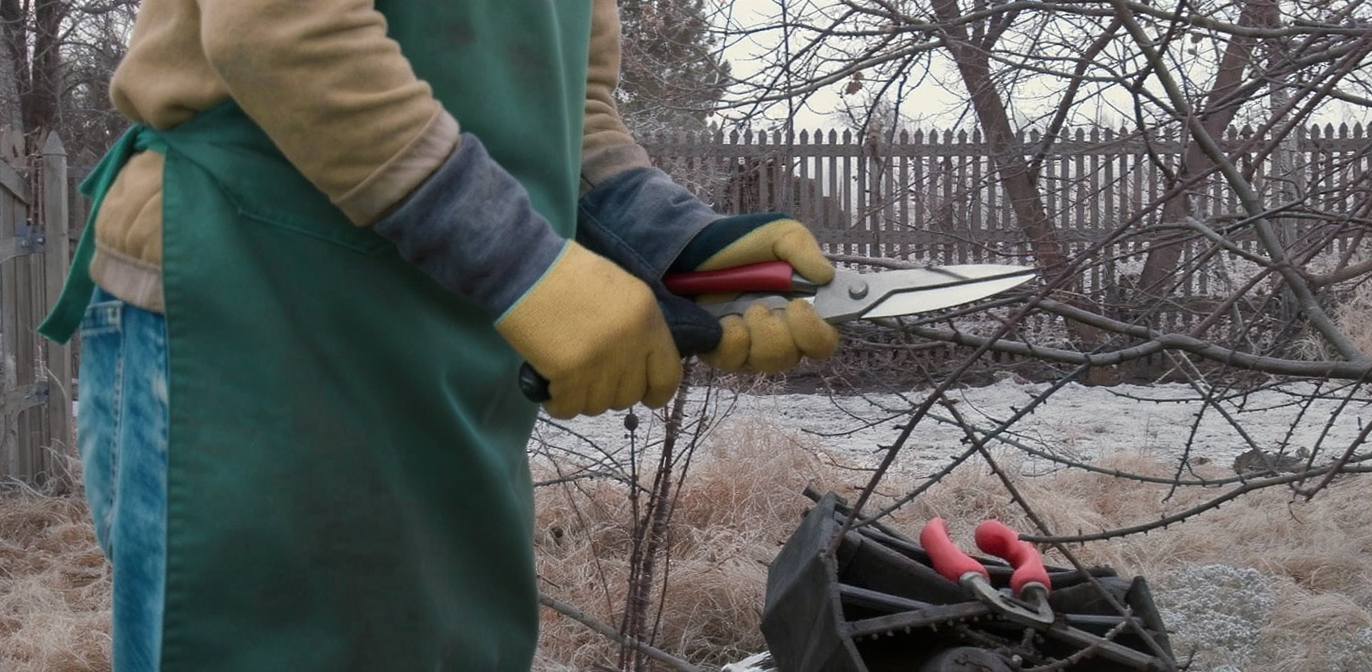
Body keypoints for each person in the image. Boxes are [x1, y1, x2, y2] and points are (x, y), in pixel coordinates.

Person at [38, 1, 839, 670]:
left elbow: (572, 110)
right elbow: (284, 29)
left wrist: (664, 239)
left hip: (447, 331)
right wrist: (523, 265)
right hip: (257, 302)